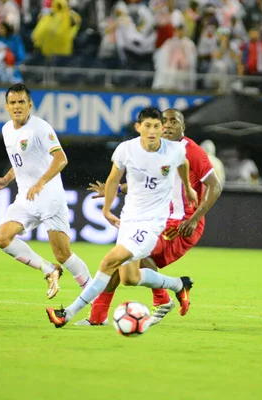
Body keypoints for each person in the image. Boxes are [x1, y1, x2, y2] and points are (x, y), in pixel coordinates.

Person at [46, 107, 197, 328]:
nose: (153, 131)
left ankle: (66, 313)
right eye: (148, 126)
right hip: (129, 219)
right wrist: (107, 210)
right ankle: (178, 284)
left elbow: (183, 164)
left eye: (157, 126)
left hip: (152, 223)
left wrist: (188, 188)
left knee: (108, 262)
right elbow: (113, 180)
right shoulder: (126, 150)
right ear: (138, 128)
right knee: (129, 277)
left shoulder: (172, 150)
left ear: (161, 128)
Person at [78, 108, 222, 327]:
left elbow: (216, 186)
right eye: (165, 121)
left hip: (182, 224)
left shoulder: (191, 151)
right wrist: (115, 189)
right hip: (160, 219)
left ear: (183, 127)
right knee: (123, 259)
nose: (168, 125)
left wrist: (194, 220)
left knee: (130, 254)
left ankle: (162, 299)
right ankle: (98, 317)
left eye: (175, 121)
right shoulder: (160, 151)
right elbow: (144, 183)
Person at [0, 83, 91, 299]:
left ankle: (94, 297)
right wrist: (7, 179)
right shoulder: (7, 129)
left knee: (63, 254)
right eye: (13, 103)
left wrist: (41, 182)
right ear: (6, 106)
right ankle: (49, 270)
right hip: (25, 197)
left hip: (50, 197)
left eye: (22, 102)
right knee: (2, 238)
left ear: (30, 104)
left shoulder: (41, 128)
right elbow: (22, 161)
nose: (17, 107)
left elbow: (61, 159)